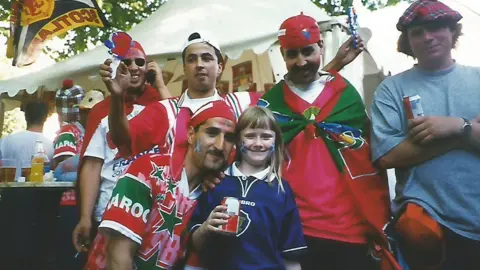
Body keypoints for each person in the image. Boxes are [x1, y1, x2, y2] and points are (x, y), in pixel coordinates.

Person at [258, 14, 396, 269]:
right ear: (282, 55)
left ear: (321, 47)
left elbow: (368, 156)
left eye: (308, 51)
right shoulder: (270, 105)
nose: (300, 61)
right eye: (292, 54)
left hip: (351, 226)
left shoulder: (344, 94)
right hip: (295, 228)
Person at [106, 30, 363, 164]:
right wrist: (117, 99)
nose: (199, 65)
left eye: (207, 58)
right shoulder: (165, 110)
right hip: (174, 217)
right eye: (192, 59)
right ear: (184, 67)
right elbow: (121, 139)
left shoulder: (242, 103)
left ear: (221, 65)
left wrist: (334, 65)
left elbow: (295, 88)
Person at [370, 1, 480, 269]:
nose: (427, 37)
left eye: (436, 27)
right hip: (426, 226)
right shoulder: (391, 89)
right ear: (406, 40)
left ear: (453, 31)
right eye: (417, 32)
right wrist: (463, 132)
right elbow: (386, 156)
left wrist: (455, 126)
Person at [84, 100, 237, 269]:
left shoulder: (213, 191)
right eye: (212, 133)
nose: (220, 145)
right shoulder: (147, 171)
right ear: (191, 134)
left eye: (229, 138)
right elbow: (118, 255)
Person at [72, 39, 171, 260]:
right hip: (109, 212)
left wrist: (161, 86)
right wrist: (86, 216)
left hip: (155, 215)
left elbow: (181, 128)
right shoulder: (101, 110)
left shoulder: (161, 103)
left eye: (140, 62)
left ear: (148, 68)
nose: (134, 67)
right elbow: (92, 165)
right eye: (127, 62)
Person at [189, 106, 305, 269]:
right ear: (238, 141)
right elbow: (193, 244)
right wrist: (205, 229)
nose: (258, 143)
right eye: (250, 136)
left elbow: (291, 256)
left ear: (276, 141)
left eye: (266, 137)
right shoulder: (216, 180)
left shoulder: (281, 190)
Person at [0, 100, 56, 270]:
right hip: (40, 202)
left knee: (9, 247)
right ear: (45, 118)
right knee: (35, 250)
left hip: (10, 199)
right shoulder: (50, 144)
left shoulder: (8, 140)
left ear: (25, 116)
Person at [52, 88, 104, 270]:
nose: (93, 116)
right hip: (72, 204)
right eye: (89, 112)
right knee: (71, 259)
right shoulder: (70, 132)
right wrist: (93, 174)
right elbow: (58, 172)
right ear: (81, 112)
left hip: (93, 207)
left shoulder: (102, 133)